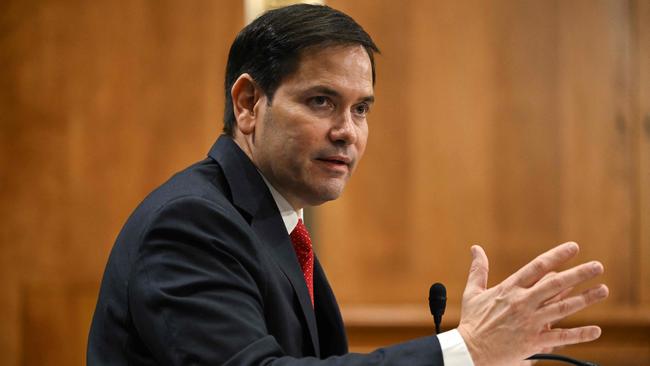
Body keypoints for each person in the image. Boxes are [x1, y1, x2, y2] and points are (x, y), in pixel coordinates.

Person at [87, 4, 609, 365]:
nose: (347, 131)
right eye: (321, 101)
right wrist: (463, 350)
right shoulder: (192, 223)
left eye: (361, 109)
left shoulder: (274, 221)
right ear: (248, 104)